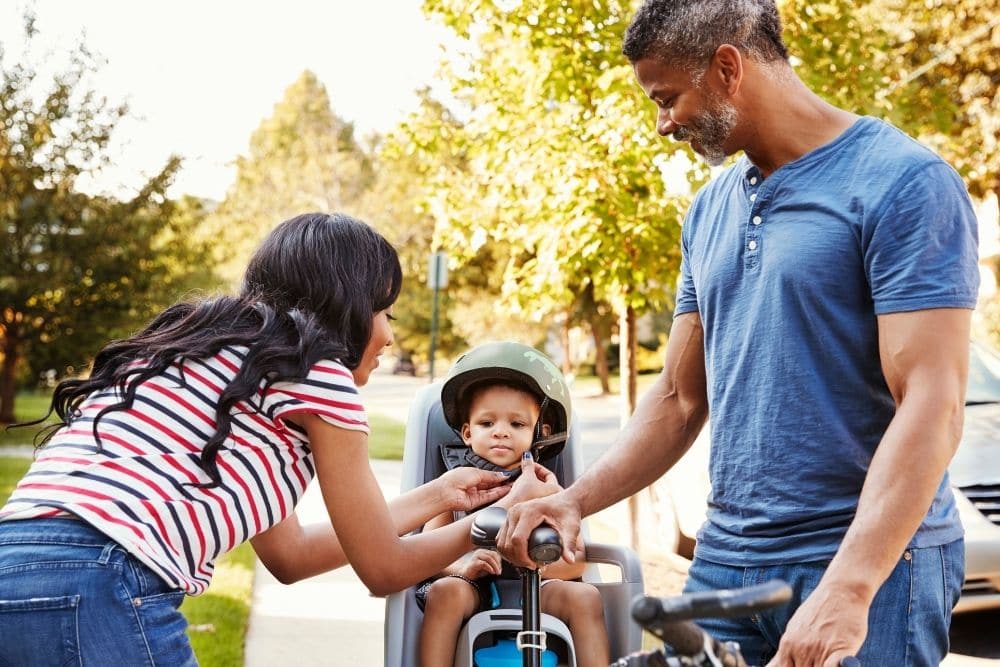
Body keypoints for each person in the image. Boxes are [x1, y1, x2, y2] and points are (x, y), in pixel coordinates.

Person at [499, 2, 980, 666]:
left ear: (728, 67)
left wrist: (849, 585)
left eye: (667, 97)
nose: (662, 123)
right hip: (726, 560)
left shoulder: (902, 184)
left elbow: (933, 401)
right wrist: (575, 501)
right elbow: (677, 397)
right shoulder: (709, 209)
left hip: (861, 562)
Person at [0, 212, 557, 665]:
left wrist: (444, 495)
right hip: (107, 577)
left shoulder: (202, 353)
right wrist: (500, 514)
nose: (388, 334)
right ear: (344, 306)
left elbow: (291, 556)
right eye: (383, 311)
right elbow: (383, 569)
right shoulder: (319, 371)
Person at [418, 342, 609, 667]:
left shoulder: (545, 487)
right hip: (474, 588)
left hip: (540, 586)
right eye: (487, 423)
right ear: (467, 432)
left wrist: (540, 563)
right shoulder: (454, 484)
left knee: (585, 596)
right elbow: (426, 554)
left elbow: (577, 561)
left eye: (517, 425)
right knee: (444, 593)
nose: (501, 433)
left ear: (539, 431)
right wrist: (462, 567)